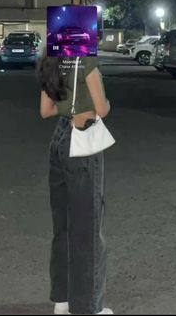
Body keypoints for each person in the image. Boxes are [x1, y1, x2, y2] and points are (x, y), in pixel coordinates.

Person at [38, 54, 114, 315]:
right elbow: (101, 109)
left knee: (63, 225)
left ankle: (63, 300)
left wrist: (68, 108)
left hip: (59, 140)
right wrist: (104, 104)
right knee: (87, 230)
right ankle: (86, 308)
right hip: (82, 143)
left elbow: (45, 111)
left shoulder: (51, 62)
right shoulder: (87, 63)